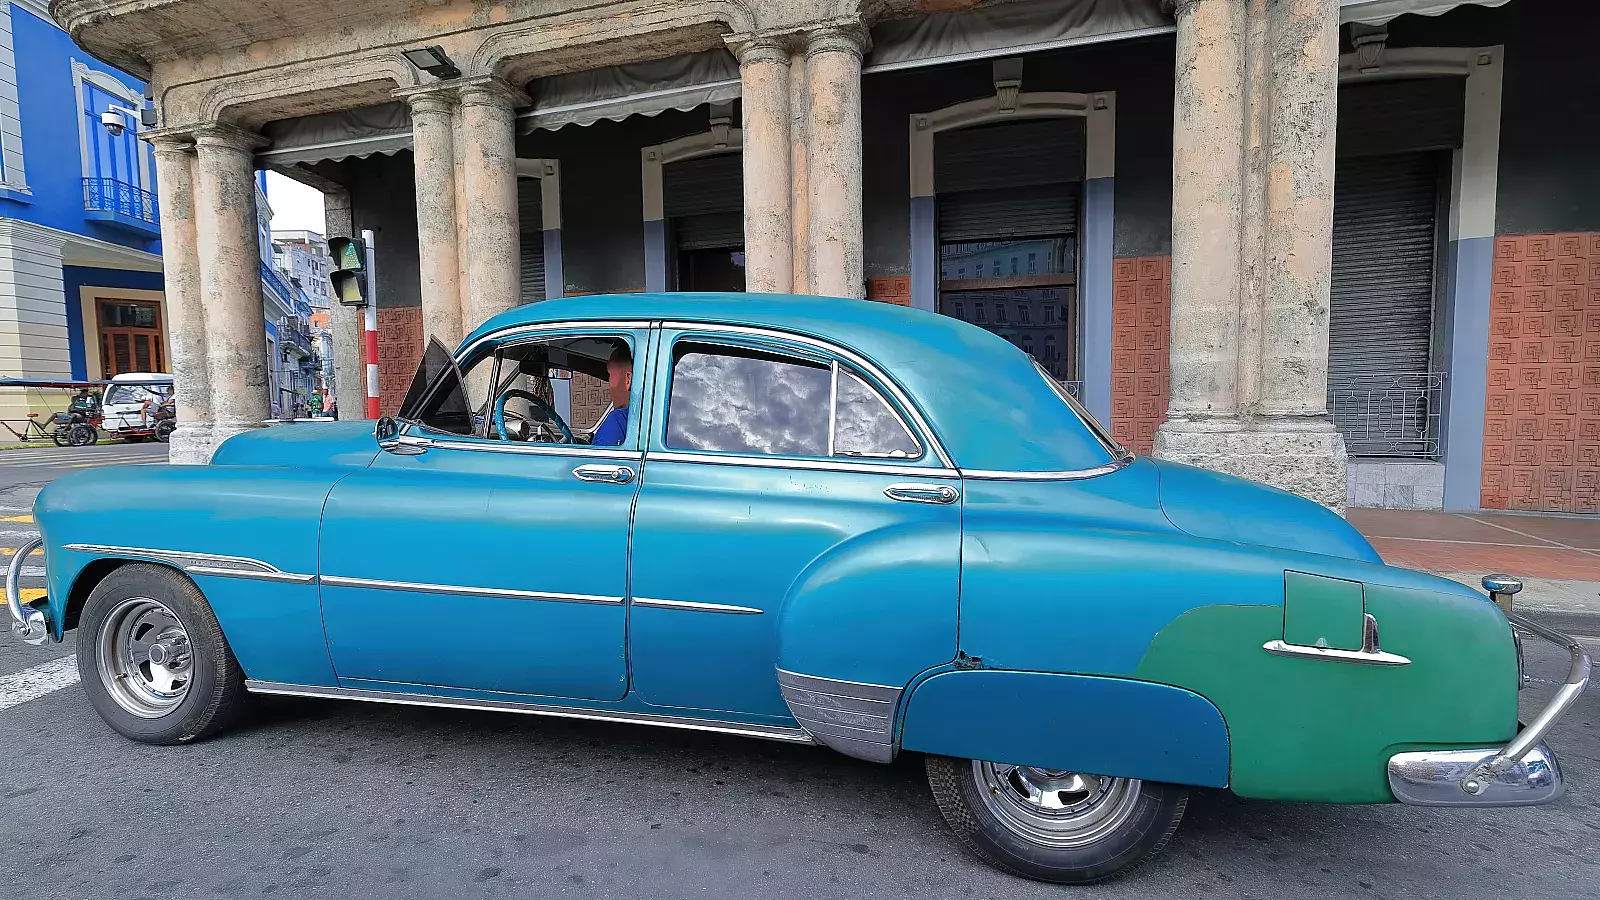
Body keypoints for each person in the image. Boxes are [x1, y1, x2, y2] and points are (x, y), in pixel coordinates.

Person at [590, 344, 632, 447]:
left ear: (627, 380)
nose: (608, 383)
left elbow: (596, 461)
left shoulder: (618, 420)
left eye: (610, 375)